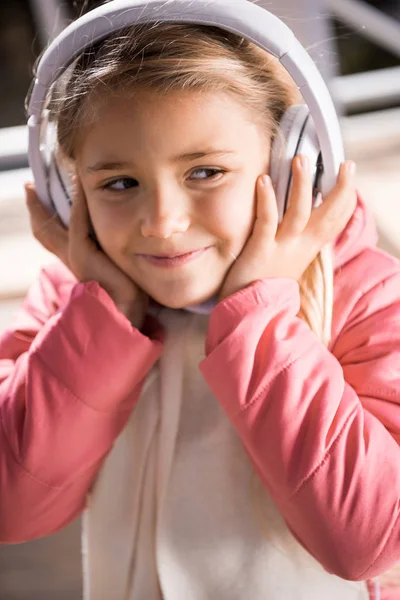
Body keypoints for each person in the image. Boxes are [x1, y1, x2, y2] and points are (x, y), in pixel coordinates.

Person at [0, 17, 400, 600]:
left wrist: (259, 323)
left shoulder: (366, 297)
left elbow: (369, 540)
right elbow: (14, 507)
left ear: (293, 167)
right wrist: (102, 316)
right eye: (119, 183)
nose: (162, 223)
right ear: (69, 193)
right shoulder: (70, 301)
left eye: (205, 172)